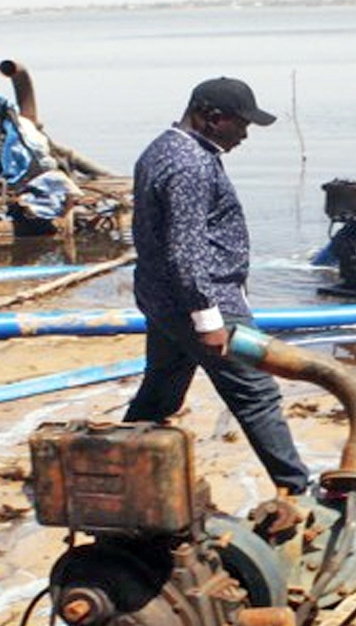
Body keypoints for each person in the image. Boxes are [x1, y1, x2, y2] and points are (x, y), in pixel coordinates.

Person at [123, 77, 312, 498]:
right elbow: (185, 250)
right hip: (202, 304)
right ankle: (298, 489)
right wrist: (208, 319)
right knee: (257, 394)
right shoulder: (189, 164)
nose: (245, 134)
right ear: (211, 117)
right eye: (241, 123)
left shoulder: (163, 149)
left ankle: (117, 470)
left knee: (161, 393)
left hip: (163, 299)